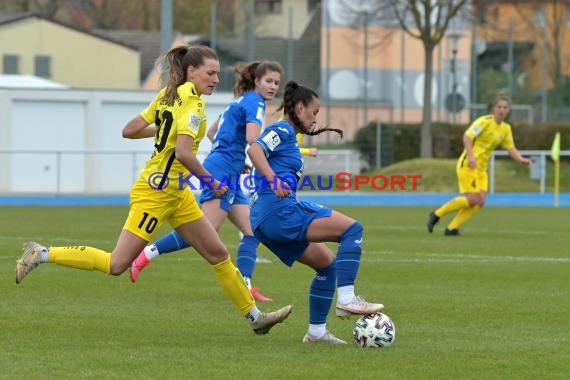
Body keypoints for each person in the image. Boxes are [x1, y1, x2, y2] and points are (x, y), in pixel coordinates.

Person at [15, 45, 291, 335]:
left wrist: (164, 130)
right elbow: (184, 153)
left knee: (218, 253)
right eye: (210, 73)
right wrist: (212, 182)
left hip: (177, 193)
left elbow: (130, 129)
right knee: (117, 263)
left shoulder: (167, 96)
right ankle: (42, 253)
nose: (215, 79)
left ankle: (255, 317)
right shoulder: (193, 105)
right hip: (156, 193)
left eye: (217, 74)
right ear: (191, 71)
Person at [129, 61, 283, 303]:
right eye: (269, 81)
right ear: (256, 81)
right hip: (222, 171)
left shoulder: (240, 101)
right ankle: (147, 253)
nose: (273, 86)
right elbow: (253, 138)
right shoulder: (255, 102)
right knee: (206, 232)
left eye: (276, 82)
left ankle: (245, 286)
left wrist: (234, 157)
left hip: (227, 168)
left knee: (252, 231)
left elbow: (213, 132)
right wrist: (275, 145)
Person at [247, 81, 384, 345]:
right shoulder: (283, 128)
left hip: (265, 221)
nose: (315, 118)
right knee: (352, 229)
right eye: (314, 111)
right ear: (299, 107)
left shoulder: (289, 137)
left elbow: (263, 157)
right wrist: (274, 180)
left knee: (327, 265)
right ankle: (346, 298)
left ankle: (317, 332)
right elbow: (254, 148)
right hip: (278, 213)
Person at [427, 92, 532, 236]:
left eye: (505, 107)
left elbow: (510, 148)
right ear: (494, 108)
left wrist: (521, 159)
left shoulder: (505, 129)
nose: (502, 110)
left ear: (508, 110)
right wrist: (471, 156)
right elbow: (467, 136)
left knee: (480, 201)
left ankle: (451, 229)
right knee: (473, 199)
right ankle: (436, 214)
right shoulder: (484, 121)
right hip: (468, 165)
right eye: (499, 107)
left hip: (482, 170)